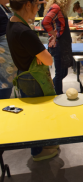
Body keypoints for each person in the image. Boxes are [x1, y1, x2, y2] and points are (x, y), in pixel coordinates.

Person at [6, 0, 59, 161]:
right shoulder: (24, 31)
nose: (38, 10)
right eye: (37, 6)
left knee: (35, 114)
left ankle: (43, 145)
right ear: (27, 4)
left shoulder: (11, 22)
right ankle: (37, 151)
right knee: (38, 116)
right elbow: (49, 60)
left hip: (24, 74)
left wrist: (38, 53)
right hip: (33, 79)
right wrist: (42, 54)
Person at [42, 0, 73, 95]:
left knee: (64, 73)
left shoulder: (59, 8)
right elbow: (45, 22)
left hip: (64, 45)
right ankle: (58, 95)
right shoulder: (56, 7)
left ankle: (53, 87)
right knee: (60, 74)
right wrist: (54, 34)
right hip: (60, 44)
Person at [0, 0, 17, 99]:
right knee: (3, 85)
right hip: (3, 54)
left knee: (9, 82)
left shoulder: (5, 7)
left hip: (9, 53)